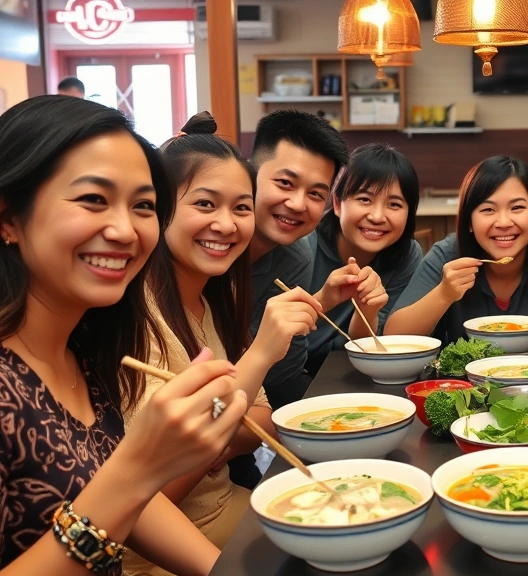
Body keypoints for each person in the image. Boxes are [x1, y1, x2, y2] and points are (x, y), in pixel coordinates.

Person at [0, 96, 246, 575]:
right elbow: (122, 485)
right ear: (9, 217)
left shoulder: (86, 349)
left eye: (143, 207)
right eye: (94, 199)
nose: (124, 230)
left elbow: (121, 493)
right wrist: (139, 468)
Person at [120, 113, 321, 575]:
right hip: (161, 556)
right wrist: (261, 355)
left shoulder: (215, 301)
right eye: (206, 205)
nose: (227, 225)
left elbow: (262, 417)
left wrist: (208, 437)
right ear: (159, 209)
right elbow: (149, 494)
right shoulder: (135, 319)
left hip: (232, 510)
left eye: (241, 208)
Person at [385, 156, 528, 343]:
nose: (504, 222)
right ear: (468, 220)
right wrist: (444, 294)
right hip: (464, 378)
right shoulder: (447, 255)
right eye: (488, 210)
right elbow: (393, 338)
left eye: (517, 208)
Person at [247, 109, 347, 408]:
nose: (297, 204)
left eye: (316, 194)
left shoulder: (297, 255)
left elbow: (284, 375)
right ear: (249, 174)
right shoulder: (212, 245)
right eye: (285, 183)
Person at [305, 143, 422, 374]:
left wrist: (367, 311)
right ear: (337, 204)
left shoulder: (407, 256)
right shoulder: (304, 245)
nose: (377, 216)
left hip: (352, 373)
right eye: (365, 199)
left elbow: (373, 349)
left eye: (394, 204)